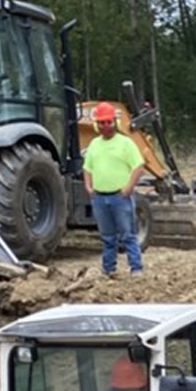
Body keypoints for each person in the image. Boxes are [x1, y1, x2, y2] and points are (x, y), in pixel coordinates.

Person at [82, 101, 147, 275]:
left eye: (108, 122)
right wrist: (89, 187)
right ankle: (109, 269)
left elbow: (138, 166)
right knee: (108, 237)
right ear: (97, 124)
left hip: (120, 197)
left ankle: (136, 268)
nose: (105, 126)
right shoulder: (94, 144)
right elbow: (87, 168)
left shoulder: (126, 143)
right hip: (100, 198)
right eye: (102, 123)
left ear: (115, 122)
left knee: (128, 235)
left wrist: (127, 189)